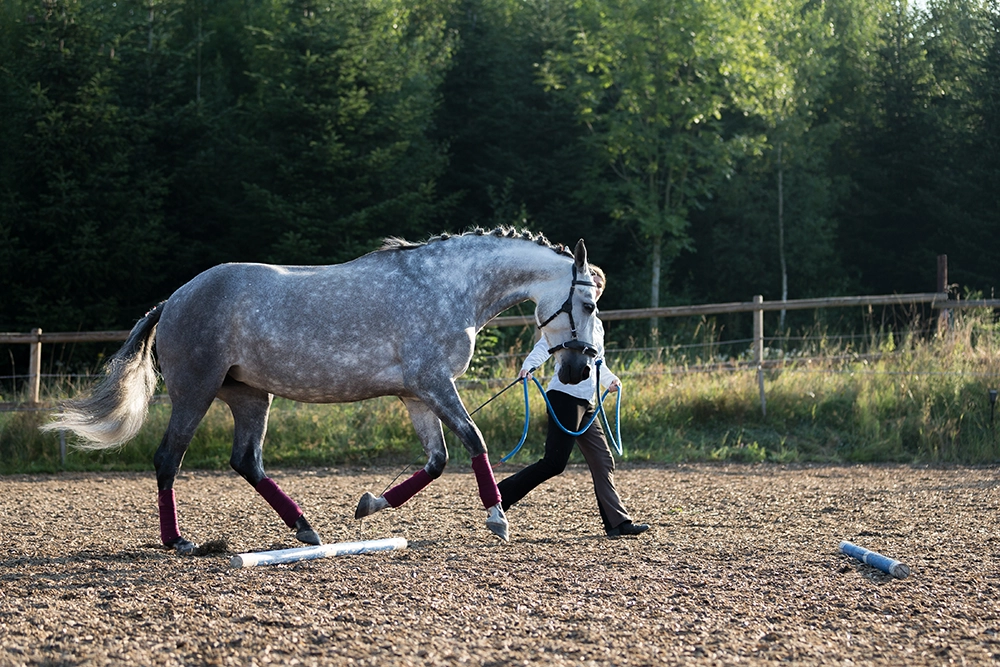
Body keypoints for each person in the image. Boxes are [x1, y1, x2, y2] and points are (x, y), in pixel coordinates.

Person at [497, 265, 649, 537]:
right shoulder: (570, 317)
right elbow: (545, 344)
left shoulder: (596, 325)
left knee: (603, 461)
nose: (596, 286)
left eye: (600, 284)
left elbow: (597, 363)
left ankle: (618, 523)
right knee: (554, 464)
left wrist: (610, 380)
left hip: (587, 403)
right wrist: (528, 366)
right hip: (564, 397)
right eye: (592, 282)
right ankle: (500, 495)